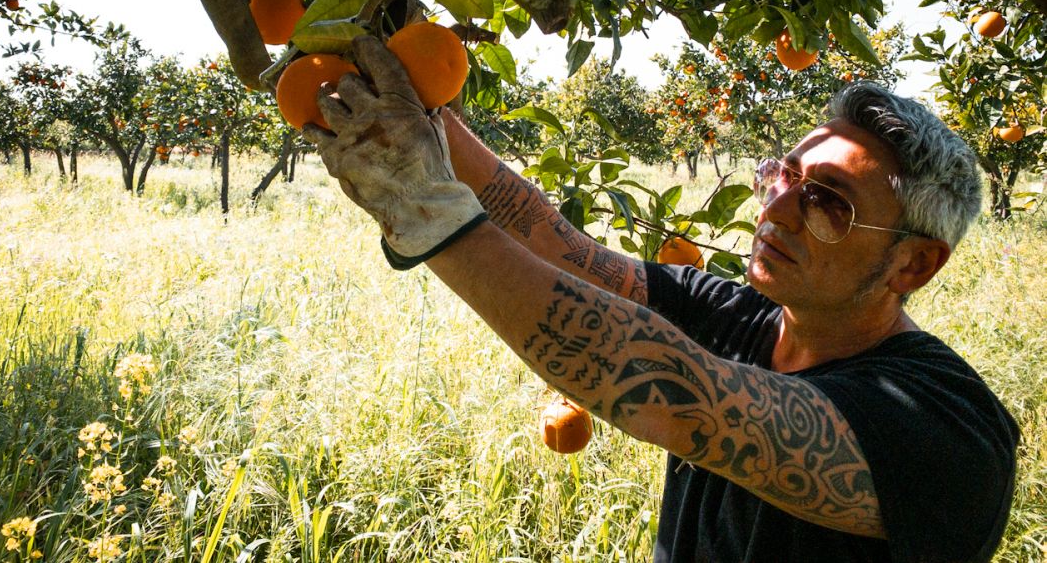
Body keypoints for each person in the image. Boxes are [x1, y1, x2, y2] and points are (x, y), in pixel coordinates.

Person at [304, 35, 1020, 563]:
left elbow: (683, 398)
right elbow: (554, 241)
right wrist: (421, 108)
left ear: (915, 264)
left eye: (828, 203)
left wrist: (433, 214)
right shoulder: (740, 314)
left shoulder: (946, 429)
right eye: (782, 176)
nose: (776, 212)